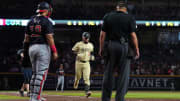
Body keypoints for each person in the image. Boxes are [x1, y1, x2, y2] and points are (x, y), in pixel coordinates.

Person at [99, 2, 140, 101]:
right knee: (123, 75)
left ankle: (105, 98)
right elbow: (133, 36)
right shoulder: (129, 17)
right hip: (123, 46)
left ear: (117, 8)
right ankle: (120, 98)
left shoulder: (108, 16)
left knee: (108, 73)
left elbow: (102, 35)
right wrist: (137, 49)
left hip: (111, 46)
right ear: (125, 9)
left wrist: (101, 49)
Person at [23, 2, 58, 101]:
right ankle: (35, 98)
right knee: (41, 74)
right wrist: (54, 51)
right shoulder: (47, 21)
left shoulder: (30, 21)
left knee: (35, 74)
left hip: (31, 48)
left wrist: (26, 53)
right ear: (46, 10)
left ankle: (33, 96)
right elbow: (49, 37)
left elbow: (26, 39)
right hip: (42, 48)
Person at [72, 32, 95, 98]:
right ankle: (76, 82)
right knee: (78, 76)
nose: (86, 39)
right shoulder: (78, 44)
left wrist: (92, 56)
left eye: (87, 38)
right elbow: (73, 50)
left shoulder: (91, 45)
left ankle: (87, 91)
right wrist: (77, 54)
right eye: (85, 38)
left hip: (87, 63)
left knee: (86, 77)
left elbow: (92, 52)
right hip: (79, 62)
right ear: (83, 37)